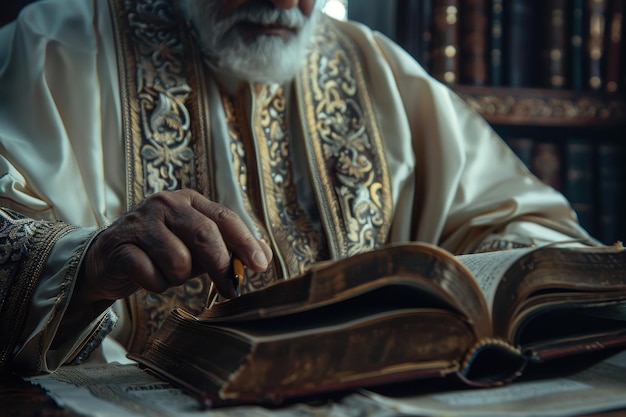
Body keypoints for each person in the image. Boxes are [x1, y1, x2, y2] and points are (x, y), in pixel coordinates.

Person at [0, 0, 595, 375]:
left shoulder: (375, 66)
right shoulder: (54, 45)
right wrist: (88, 263)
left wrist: (475, 283)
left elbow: (537, 233)